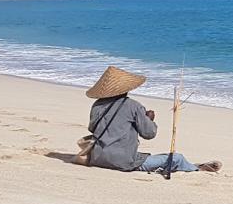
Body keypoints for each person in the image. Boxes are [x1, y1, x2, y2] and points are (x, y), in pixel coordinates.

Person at [84, 65, 220, 173]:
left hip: (97, 157)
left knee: (145, 156)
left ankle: (191, 166)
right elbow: (149, 134)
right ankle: (196, 168)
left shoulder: (97, 105)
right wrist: (149, 119)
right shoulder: (133, 106)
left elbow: (92, 128)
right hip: (122, 162)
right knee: (176, 158)